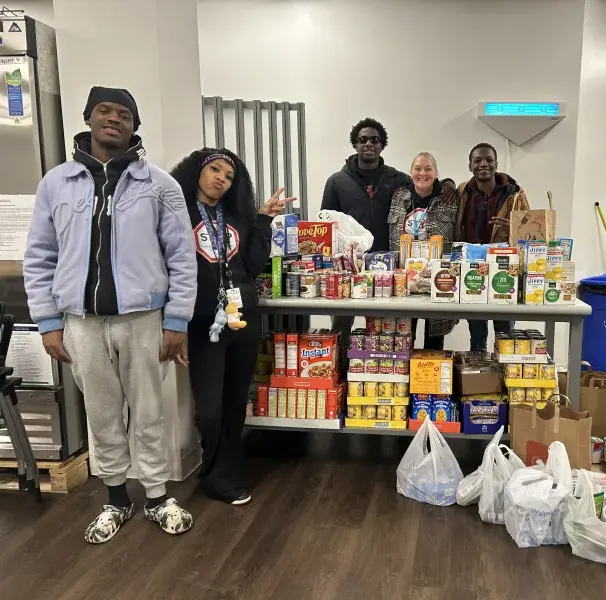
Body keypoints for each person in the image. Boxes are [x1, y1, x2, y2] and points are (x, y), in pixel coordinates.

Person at [23, 87, 197, 543]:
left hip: (143, 320)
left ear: (134, 126)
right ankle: (116, 498)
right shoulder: (55, 184)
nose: (114, 119)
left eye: (124, 114)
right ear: (88, 117)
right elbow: (39, 257)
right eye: (105, 111)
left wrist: (177, 321)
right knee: (101, 413)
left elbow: (182, 257)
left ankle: (157, 496)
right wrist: (48, 322)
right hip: (80, 322)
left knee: (149, 412)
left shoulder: (160, 185)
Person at [170, 148, 293, 505]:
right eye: (215, 169)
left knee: (235, 403)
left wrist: (264, 220)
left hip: (243, 318)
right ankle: (214, 469)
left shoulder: (237, 217)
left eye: (228, 175)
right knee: (210, 409)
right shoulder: (177, 213)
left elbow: (252, 265)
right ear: (197, 171)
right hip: (201, 323)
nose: (221, 179)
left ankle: (224, 472)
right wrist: (173, 324)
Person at [320, 118, 411, 341]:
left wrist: (446, 183)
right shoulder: (337, 181)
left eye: (374, 139)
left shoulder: (396, 178)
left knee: (384, 328)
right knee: (341, 325)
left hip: (387, 263)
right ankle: (340, 360)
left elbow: (424, 185)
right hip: (348, 264)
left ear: (382, 144)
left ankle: (382, 363)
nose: (368, 144)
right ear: (355, 144)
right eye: (363, 140)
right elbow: (326, 224)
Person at [456, 142, 530, 351]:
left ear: (496, 164)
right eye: (477, 160)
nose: (483, 164)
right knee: (477, 335)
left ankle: (504, 371)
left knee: (504, 334)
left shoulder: (515, 194)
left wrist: (514, 228)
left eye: (489, 160)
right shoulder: (463, 191)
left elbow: (531, 232)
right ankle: (479, 371)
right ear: (470, 166)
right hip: (473, 270)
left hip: (504, 271)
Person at [388, 152, 458, 349]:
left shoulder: (449, 198)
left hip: (438, 278)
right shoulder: (398, 196)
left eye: (428, 169)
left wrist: (449, 184)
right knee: (403, 336)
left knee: (434, 340)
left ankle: (430, 370)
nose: (422, 173)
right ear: (410, 172)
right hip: (404, 279)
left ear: (436, 173)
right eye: (417, 168)